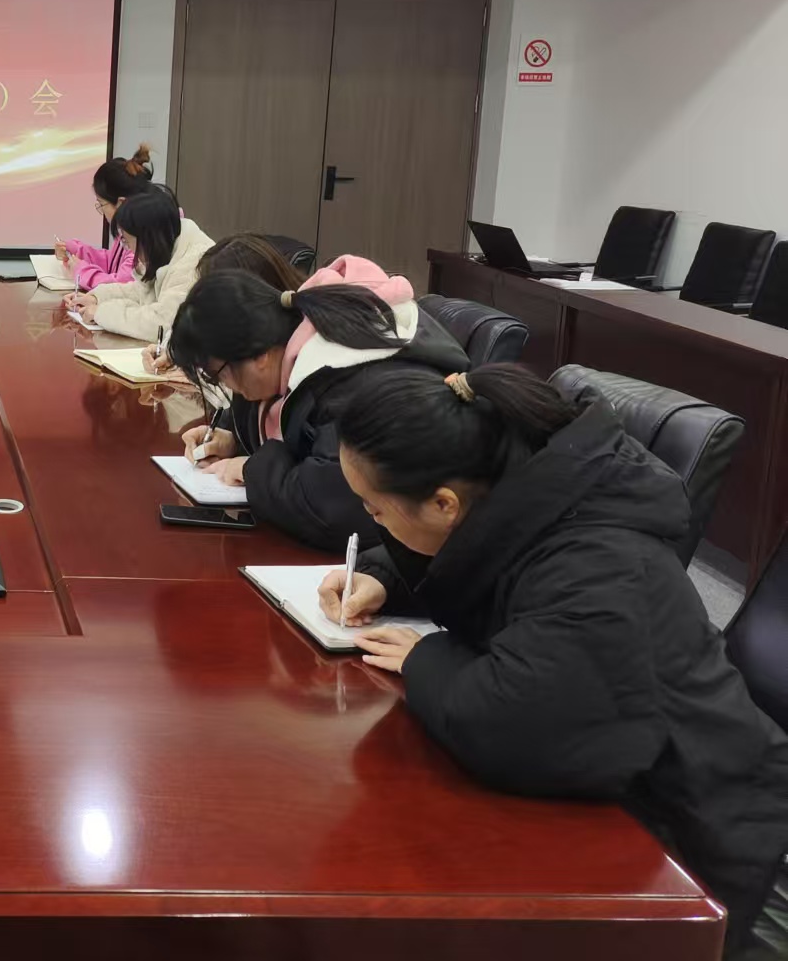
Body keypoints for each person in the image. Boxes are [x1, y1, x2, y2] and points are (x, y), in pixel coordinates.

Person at [323, 363, 788, 952]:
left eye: (375, 510)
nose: (372, 521)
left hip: (708, 851)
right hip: (629, 781)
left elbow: (511, 724)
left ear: (443, 504)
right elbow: (484, 559)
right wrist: (384, 576)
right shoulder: (532, 491)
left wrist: (426, 657)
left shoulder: (598, 565)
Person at [164, 256, 467, 553]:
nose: (228, 386)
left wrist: (252, 469)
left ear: (259, 355)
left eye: (219, 374)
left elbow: (335, 509)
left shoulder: (348, 378)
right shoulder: (297, 341)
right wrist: (233, 439)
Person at [141, 233, 307, 376]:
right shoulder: (264, 322)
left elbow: (229, 390)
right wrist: (172, 351)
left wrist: (193, 370)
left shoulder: (292, 354)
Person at [63, 187, 213, 342]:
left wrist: (101, 313)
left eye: (127, 241)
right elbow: (142, 292)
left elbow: (161, 324)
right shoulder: (166, 245)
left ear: (148, 238)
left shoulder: (193, 262)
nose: (129, 250)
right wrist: (97, 298)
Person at [52, 144, 156, 290]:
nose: (101, 211)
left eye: (102, 204)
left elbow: (121, 285)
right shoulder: (129, 228)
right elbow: (111, 263)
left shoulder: (142, 238)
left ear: (120, 203)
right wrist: (77, 250)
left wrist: (81, 271)